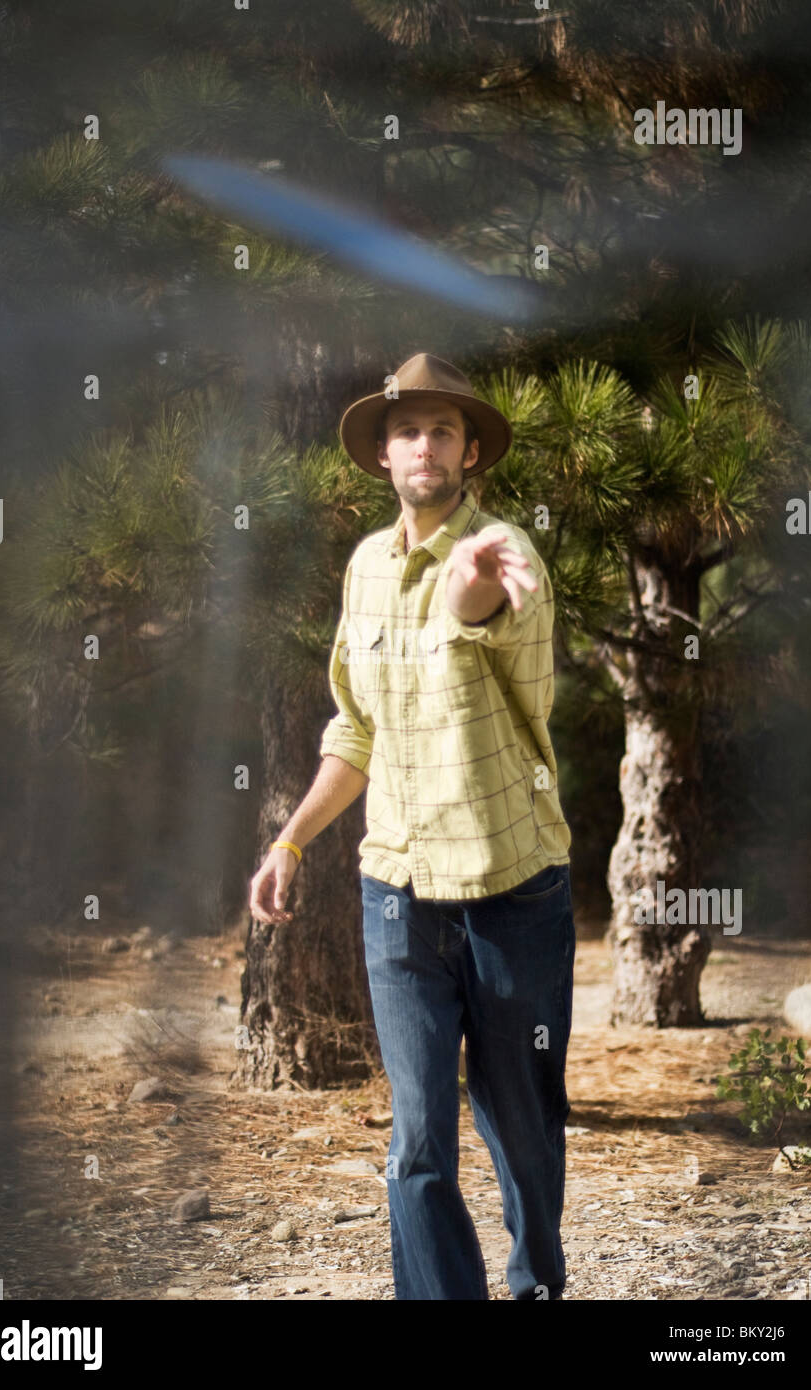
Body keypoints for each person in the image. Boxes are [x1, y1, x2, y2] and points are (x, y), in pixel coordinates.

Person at [249, 352, 574, 1300]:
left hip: (511, 885)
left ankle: (536, 1287)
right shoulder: (364, 568)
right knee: (419, 1133)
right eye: (406, 431)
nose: (422, 445)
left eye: (441, 430)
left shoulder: (505, 550)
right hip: (396, 890)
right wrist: (291, 839)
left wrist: (471, 610)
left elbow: (530, 678)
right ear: (384, 456)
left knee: (522, 1122)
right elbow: (356, 728)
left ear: (470, 451)